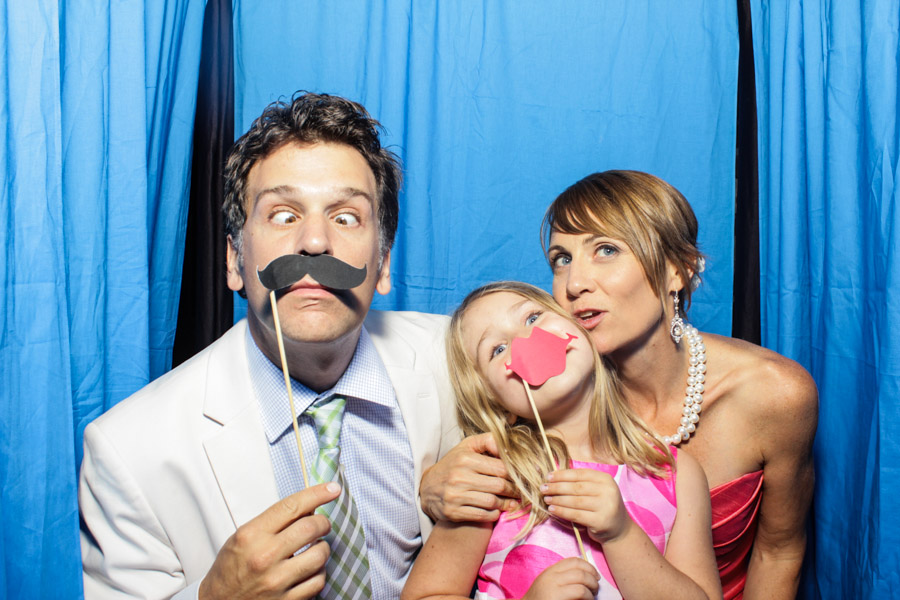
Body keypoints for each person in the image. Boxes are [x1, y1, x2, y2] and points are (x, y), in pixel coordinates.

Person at [79, 92, 460, 600]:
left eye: (346, 217)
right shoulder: (129, 451)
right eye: (283, 214)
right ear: (235, 261)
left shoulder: (461, 359)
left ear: (384, 264)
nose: (315, 243)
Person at [420, 171, 817, 599]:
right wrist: (429, 487)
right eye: (561, 259)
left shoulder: (774, 395)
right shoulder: (558, 390)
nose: (574, 284)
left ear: (678, 269)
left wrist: (622, 533)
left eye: (606, 250)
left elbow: (778, 552)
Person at [403, 281, 721, 600]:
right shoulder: (495, 478)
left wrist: (621, 534)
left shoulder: (675, 473)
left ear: (580, 325)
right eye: (497, 350)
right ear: (494, 402)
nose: (526, 341)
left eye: (533, 318)